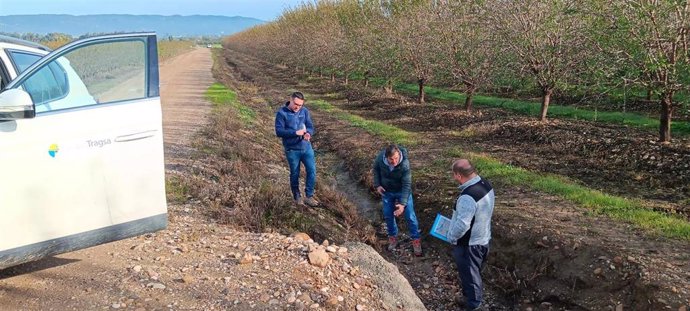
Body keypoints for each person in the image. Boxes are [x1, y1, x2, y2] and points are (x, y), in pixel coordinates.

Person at [447, 159, 495, 311]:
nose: (454, 178)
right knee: (473, 272)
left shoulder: (468, 197)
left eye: (454, 175)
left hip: (469, 245)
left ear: (459, 175)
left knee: (470, 276)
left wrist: (451, 237)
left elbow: (462, 225)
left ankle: (473, 305)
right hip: (483, 238)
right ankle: (468, 298)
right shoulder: (485, 184)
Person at [373, 144, 422, 256]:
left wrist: (402, 204)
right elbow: (375, 169)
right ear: (386, 157)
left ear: (399, 154)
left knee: (410, 216)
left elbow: (407, 185)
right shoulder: (380, 158)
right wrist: (377, 185)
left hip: (402, 191)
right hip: (387, 191)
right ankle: (393, 237)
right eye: (391, 159)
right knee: (388, 215)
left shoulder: (404, 164)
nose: (394, 162)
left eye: (396, 158)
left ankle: (416, 239)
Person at [274, 91, 319, 207]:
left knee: (312, 171)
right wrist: (295, 133)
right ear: (290, 100)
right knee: (295, 173)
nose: (297, 107)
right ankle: (297, 196)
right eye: (296, 104)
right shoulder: (281, 113)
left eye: (300, 105)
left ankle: (309, 196)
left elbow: (309, 126)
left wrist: (308, 133)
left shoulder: (304, 111)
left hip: (306, 148)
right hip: (292, 150)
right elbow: (279, 132)